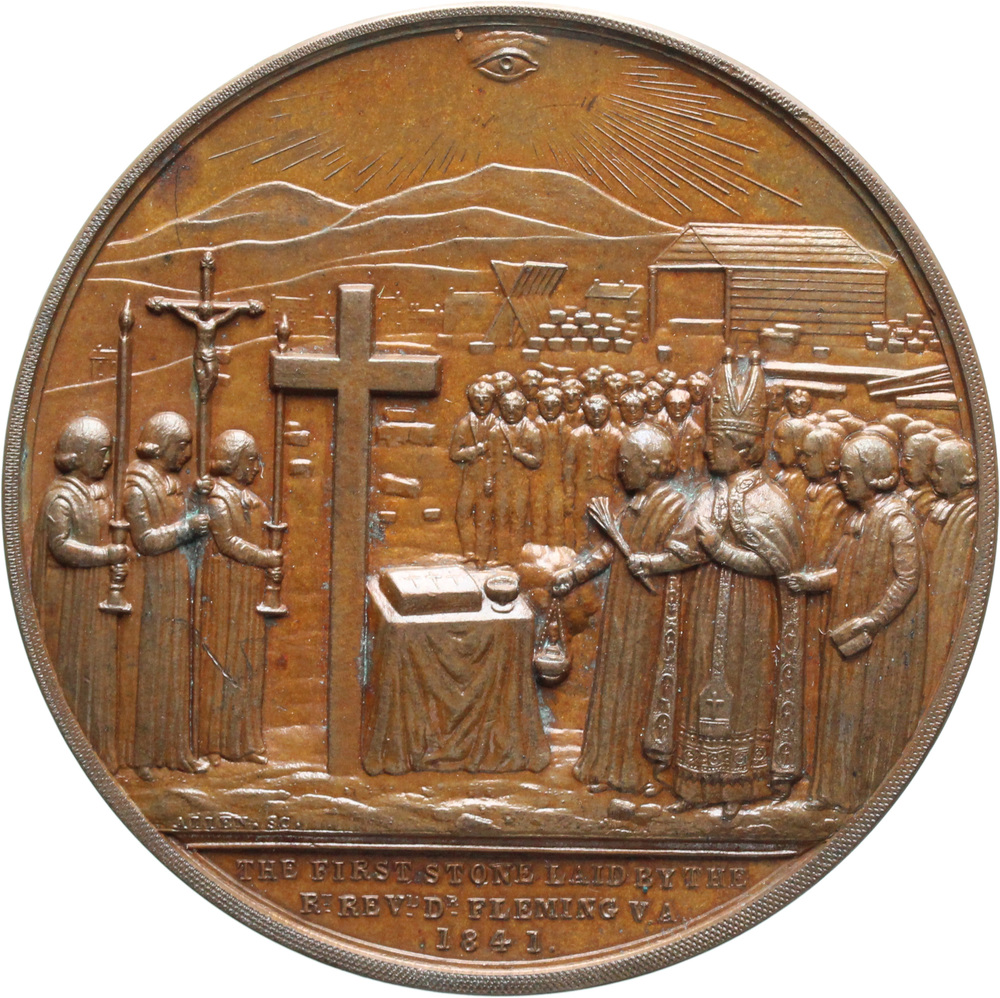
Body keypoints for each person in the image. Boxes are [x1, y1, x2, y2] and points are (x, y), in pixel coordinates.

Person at [630, 351, 809, 819]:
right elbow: (689, 549)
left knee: (745, 691)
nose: (707, 450)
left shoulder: (770, 500)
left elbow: (779, 566)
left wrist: (723, 551)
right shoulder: (710, 495)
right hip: (706, 607)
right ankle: (695, 786)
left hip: (752, 615)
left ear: (744, 448)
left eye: (717, 442)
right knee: (696, 684)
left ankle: (740, 789)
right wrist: (653, 561)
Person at [552, 423, 687, 795]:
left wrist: (653, 563)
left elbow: (688, 554)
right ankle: (606, 766)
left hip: (654, 612)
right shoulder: (632, 507)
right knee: (615, 683)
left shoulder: (675, 507)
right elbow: (610, 550)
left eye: (626, 463)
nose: (619, 470)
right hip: (624, 609)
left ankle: (639, 771)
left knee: (641, 686)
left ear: (651, 464)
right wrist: (574, 574)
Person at [811, 432, 927, 812]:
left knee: (868, 714)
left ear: (873, 475)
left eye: (848, 473)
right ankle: (835, 793)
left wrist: (873, 621)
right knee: (842, 710)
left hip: (880, 643)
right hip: (850, 632)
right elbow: (843, 570)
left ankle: (864, 795)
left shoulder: (896, 520)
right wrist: (811, 581)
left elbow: (907, 579)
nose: (841, 480)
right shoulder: (859, 518)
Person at [32, 417, 129, 769]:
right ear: (81, 453)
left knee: (98, 668)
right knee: (76, 669)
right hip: (70, 601)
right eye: (102, 453)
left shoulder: (95, 492)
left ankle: (100, 749)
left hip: (93, 597)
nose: (108, 461)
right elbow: (61, 547)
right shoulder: (60, 497)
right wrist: (106, 555)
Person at [124, 411, 210, 779]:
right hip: (151, 587)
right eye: (182, 446)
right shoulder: (137, 487)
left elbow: (176, 518)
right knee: (155, 668)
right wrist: (188, 528)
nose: (187, 454)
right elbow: (145, 540)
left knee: (176, 667)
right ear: (161, 445)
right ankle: (145, 755)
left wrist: (196, 497)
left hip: (174, 582)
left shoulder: (169, 481)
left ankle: (176, 751)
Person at [197, 430, 282, 765]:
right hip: (225, 590)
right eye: (251, 459)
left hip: (248, 590)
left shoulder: (251, 499)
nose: (257, 467)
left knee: (248, 662)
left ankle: (244, 742)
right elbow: (228, 543)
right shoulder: (217, 499)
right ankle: (213, 743)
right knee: (223, 661)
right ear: (232, 461)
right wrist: (266, 558)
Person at [922, 437, 977, 703]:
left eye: (940, 470)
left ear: (961, 473)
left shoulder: (970, 516)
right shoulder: (944, 508)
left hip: (946, 613)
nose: (933, 477)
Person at [564, 394, 622, 549]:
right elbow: (569, 465)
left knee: (606, 520)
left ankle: (605, 552)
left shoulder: (617, 435)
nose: (596, 415)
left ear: (608, 413)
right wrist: (569, 491)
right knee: (580, 519)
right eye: (592, 412)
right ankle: (581, 550)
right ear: (586, 412)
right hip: (583, 485)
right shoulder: (577, 435)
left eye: (601, 411)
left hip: (607, 486)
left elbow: (623, 465)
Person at [489, 391, 541, 563]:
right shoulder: (495, 431)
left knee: (518, 519)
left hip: (521, 482)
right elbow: (489, 459)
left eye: (516, 408)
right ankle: (501, 556)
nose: (511, 411)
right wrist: (489, 479)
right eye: (506, 408)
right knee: (500, 518)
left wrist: (521, 455)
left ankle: (515, 557)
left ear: (523, 409)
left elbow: (537, 461)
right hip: (501, 482)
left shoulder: (532, 431)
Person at [450, 380, 497, 564]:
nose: (482, 403)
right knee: (462, 514)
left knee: (485, 518)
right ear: (471, 401)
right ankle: (469, 552)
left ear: (493, 401)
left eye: (486, 399)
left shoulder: (499, 425)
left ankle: (483, 557)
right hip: (470, 477)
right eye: (477, 399)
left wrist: (491, 478)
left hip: (491, 478)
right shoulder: (464, 424)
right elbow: (454, 453)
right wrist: (477, 449)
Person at [530, 387, 569, 546]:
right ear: (539, 405)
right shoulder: (532, 426)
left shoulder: (566, 427)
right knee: (537, 514)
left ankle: (557, 547)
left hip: (559, 478)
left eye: (555, 405)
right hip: (537, 478)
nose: (550, 408)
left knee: (557, 514)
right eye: (546, 404)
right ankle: (538, 547)